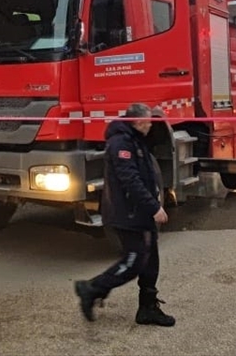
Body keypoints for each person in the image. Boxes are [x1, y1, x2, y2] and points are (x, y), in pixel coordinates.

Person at [74, 103, 175, 328]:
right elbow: (131, 181)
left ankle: (148, 307)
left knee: (151, 260)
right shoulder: (121, 143)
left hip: (139, 214)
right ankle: (91, 289)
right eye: (148, 121)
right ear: (138, 122)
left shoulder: (136, 138)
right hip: (127, 214)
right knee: (134, 262)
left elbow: (148, 165)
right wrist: (154, 207)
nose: (151, 125)